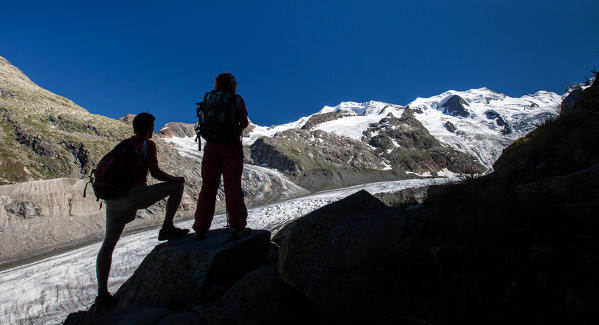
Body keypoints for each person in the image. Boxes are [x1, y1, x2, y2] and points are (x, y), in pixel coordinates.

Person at [95, 112, 189, 306]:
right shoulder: (147, 144)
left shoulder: (123, 145)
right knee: (177, 187)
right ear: (149, 129)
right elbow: (155, 173)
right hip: (134, 195)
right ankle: (167, 226)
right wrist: (175, 179)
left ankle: (102, 292)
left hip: (113, 201)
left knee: (108, 245)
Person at [193, 73, 250, 240]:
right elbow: (244, 122)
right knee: (232, 185)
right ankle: (237, 225)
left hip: (210, 146)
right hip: (230, 145)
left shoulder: (209, 98)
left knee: (208, 185)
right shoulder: (236, 99)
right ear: (233, 84)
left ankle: (200, 227)